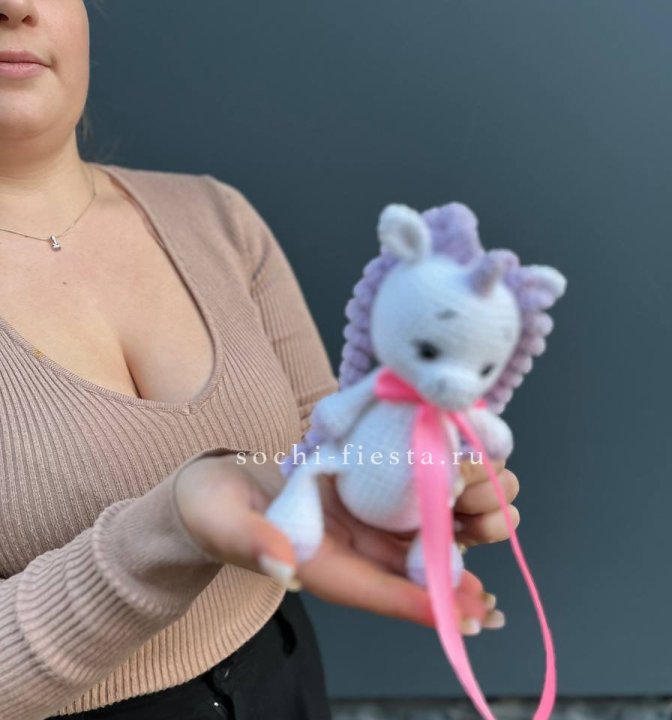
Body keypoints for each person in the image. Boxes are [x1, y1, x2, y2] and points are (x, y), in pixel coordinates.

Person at [0, 1, 519, 718]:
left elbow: (322, 439)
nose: (15, 6)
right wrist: (171, 527)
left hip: (283, 675)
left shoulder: (216, 217)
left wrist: (405, 483)